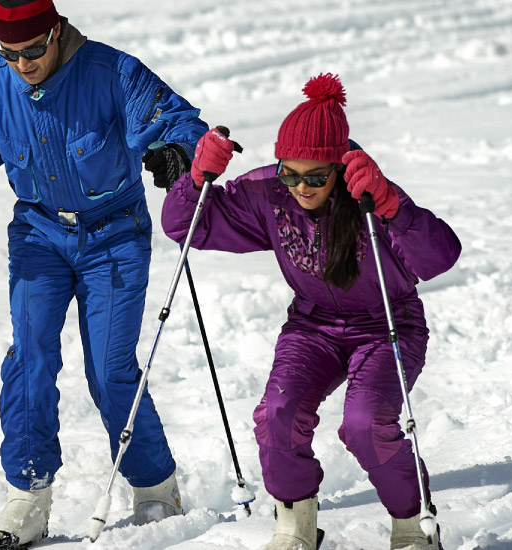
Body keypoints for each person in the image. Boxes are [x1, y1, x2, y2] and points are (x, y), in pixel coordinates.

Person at [0, 0, 209, 547]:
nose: (24, 64)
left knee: (110, 369)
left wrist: (175, 154)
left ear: (57, 31)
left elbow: (178, 122)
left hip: (114, 231)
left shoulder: (112, 72)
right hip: (40, 233)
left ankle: (155, 486)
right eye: (10, 52)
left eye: (34, 50)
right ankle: (29, 493)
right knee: (30, 356)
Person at [160, 73, 459, 550]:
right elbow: (186, 226)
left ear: (339, 169)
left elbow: (439, 257)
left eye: (315, 177)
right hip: (313, 325)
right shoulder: (268, 194)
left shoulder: (369, 196)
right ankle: (296, 523)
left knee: (365, 423)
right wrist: (196, 180)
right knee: (277, 411)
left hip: (387, 325)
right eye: (289, 173)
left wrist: (391, 205)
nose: (300, 187)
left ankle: (411, 524)